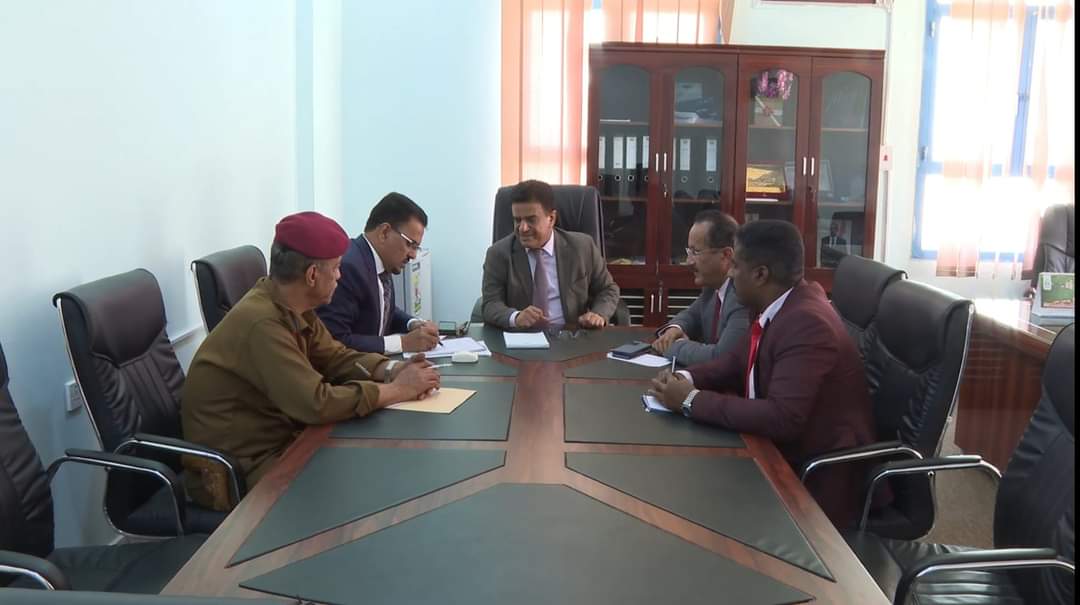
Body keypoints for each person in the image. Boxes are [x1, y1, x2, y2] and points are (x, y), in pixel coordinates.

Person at [181, 211, 441, 511]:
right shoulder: (263, 324)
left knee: (373, 471)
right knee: (358, 495)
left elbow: (335, 356)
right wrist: (398, 390)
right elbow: (316, 403)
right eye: (337, 268)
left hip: (284, 441)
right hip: (236, 472)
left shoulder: (290, 304)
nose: (340, 276)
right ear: (312, 275)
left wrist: (393, 369)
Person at [649, 220, 878, 528]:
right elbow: (735, 362)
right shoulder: (781, 302)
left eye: (736, 266)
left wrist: (690, 400)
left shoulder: (807, 323)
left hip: (816, 481)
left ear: (760, 275)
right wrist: (687, 379)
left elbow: (782, 418)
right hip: (774, 454)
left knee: (691, 503)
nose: (730, 274)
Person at [481, 179, 620, 330]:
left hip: (571, 335)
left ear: (551, 219)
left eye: (531, 220)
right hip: (521, 338)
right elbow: (490, 304)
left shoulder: (582, 247)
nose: (522, 228)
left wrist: (598, 314)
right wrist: (516, 317)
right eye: (517, 220)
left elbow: (608, 289)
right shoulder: (498, 254)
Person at [317, 192, 439, 354]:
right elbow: (336, 340)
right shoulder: (348, 267)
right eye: (410, 244)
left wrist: (412, 323)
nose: (413, 255)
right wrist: (403, 343)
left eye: (416, 247)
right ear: (384, 232)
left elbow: (383, 310)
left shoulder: (380, 262)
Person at [652, 210, 749, 364]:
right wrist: (675, 329)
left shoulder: (742, 296)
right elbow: (691, 315)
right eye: (688, 251)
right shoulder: (712, 288)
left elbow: (720, 358)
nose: (688, 262)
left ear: (726, 255)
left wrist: (674, 346)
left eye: (695, 252)